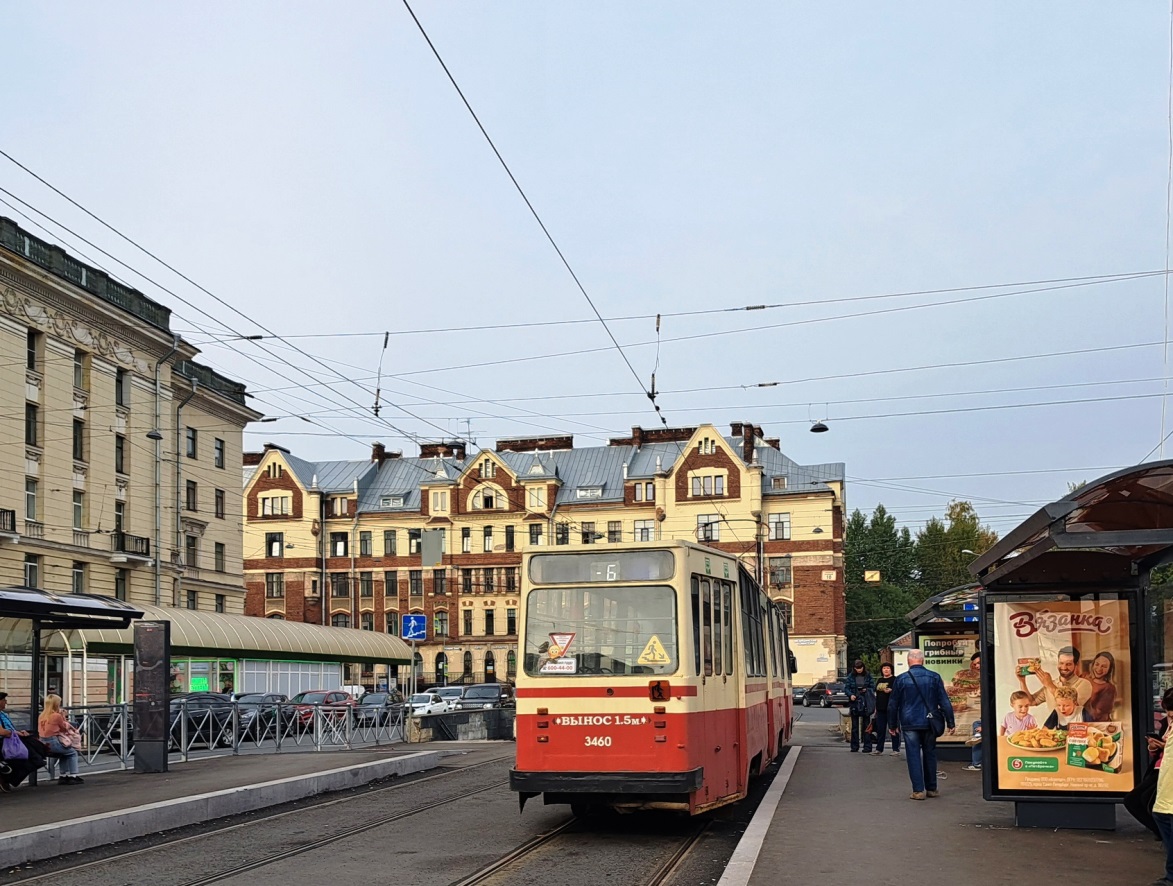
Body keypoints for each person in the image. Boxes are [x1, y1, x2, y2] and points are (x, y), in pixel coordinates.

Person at [888, 649, 955, 800]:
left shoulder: (901, 679)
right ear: (922, 661)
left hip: (909, 721)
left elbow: (893, 704)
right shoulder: (934, 677)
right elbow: (944, 701)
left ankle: (918, 791)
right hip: (930, 722)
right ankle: (932, 788)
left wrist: (892, 725)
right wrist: (950, 721)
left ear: (908, 661)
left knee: (913, 755)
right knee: (930, 753)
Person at [1125, 687, 1173, 841]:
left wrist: (1165, 746)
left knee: (1149, 803)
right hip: (1159, 767)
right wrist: (1153, 747)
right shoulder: (1166, 722)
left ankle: (1165, 836)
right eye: (1167, 711)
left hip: (1167, 770)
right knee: (1136, 800)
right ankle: (1163, 835)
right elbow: (1161, 749)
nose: (1169, 715)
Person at [1017, 645, 1092, 709]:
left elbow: (1072, 706)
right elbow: (1031, 702)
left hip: (1074, 726)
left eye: (1068, 664)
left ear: (1076, 665)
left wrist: (1049, 685)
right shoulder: (1051, 683)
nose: (1063, 667)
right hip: (1052, 726)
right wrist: (1022, 681)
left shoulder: (1084, 684)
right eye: (1061, 663)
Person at [38, 694, 83, 785]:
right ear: (56, 704)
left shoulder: (41, 715)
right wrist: (63, 716)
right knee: (72, 753)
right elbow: (64, 728)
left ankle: (63, 776)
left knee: (64, 754)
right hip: (53, 741)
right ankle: (73, 776)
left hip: (42, 742)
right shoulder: (56, 716)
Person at [0, 691, 38, 792]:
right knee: (32, 754)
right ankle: (6, 777)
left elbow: (9, 730)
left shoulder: (3, 714)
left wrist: (18, 732)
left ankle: (7, 777)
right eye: (3, 700)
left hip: (9, 740)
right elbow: (3, 732)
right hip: (4, 742)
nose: (6, 702)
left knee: (32, 748)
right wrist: (14, 734)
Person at [846, 660, 875, 753]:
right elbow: (846, 688)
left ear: (863, 667)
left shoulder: (868, 675)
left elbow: (873, 686)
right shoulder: (851, 676)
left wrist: (867, 689)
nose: (859, 670)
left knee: (866, 725)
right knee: (854, 726)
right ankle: (854, 746)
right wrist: (851, 695)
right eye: (857, 668)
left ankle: (867, 746)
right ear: (854, 668)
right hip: (854, 702)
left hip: (865, 701)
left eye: (860, 668)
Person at [872, 662, 900, 757]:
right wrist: (875, 708)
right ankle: (879, 749)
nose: (886, 670)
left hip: (892, 708)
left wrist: (891, 690)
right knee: (880, 730)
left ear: (891, 669)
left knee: (893, 728)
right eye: (884, 668)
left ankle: (896, 749)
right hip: (880, 708)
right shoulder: (879, 680)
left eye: (888, 668)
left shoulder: (895, 680)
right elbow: (876, 694)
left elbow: (898, 692)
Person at [1083, 651, 1117, 722]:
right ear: (1093, 664)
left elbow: (1097, 715)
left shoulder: (1109, 688)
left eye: (1104, 666)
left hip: (1098, 726)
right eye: (1097, 664)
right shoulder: (1084, 677)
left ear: (1110, 669)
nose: (1099, 669)